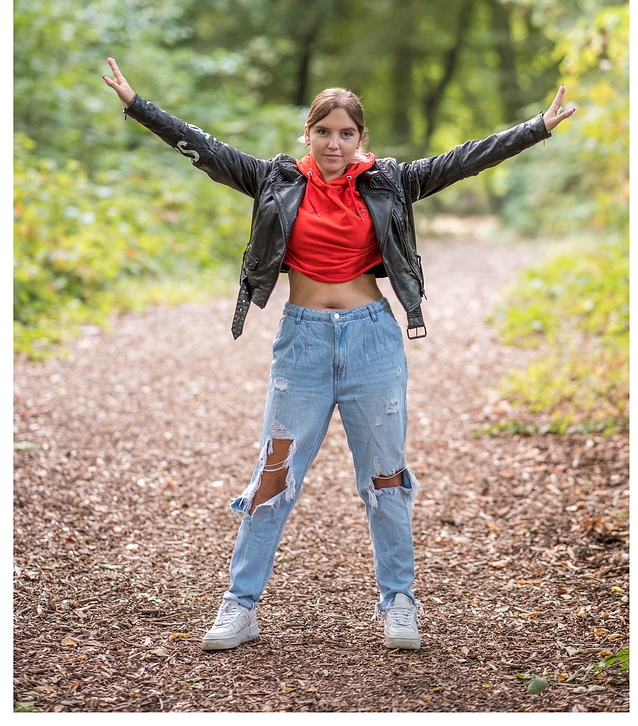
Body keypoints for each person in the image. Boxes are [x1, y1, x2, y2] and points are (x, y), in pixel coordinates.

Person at [103, 56, 574, 651]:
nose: (334, 142)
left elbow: (465, 160)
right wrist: (137, 106)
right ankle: (239, 605)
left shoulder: (390, 181)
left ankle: (399, 601)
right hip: (301, 342)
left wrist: (536, 127)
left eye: (346, 133)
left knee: (385, 478)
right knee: (272, 476)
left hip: (372, 339)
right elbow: (202, 148)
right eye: (323, 131)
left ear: (360, 138)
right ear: (309, 133)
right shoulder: (274, 179)